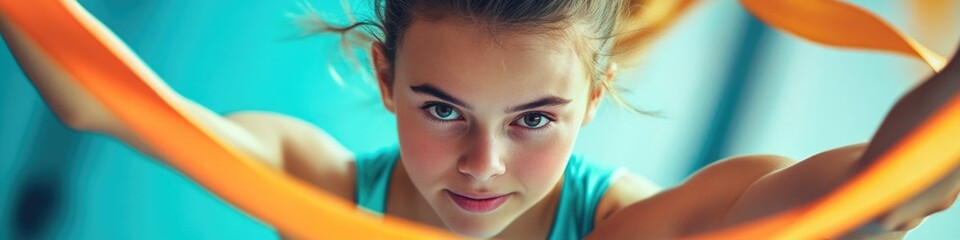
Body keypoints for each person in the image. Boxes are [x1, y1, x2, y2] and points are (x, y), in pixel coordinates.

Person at [1, 0, 958, 239]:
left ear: (592, 98)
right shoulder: (321, 183)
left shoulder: (630, 229)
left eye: (537, 118)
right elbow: (101, 99)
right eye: (442, 108)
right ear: (385, 76)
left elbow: (880, 196)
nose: (482, 163)